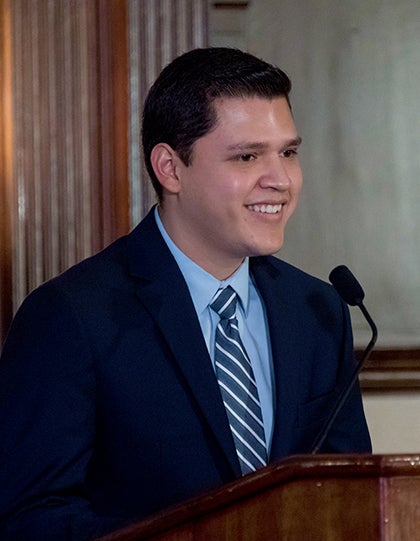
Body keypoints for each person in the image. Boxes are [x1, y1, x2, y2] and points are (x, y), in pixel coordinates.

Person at [0, 47, 371, 541]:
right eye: (247, 156)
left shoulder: (319, 310)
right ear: (170, 169)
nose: (280, 180)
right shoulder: (70, 316)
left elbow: (351, 497)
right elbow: (31, 520)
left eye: (288, 152)